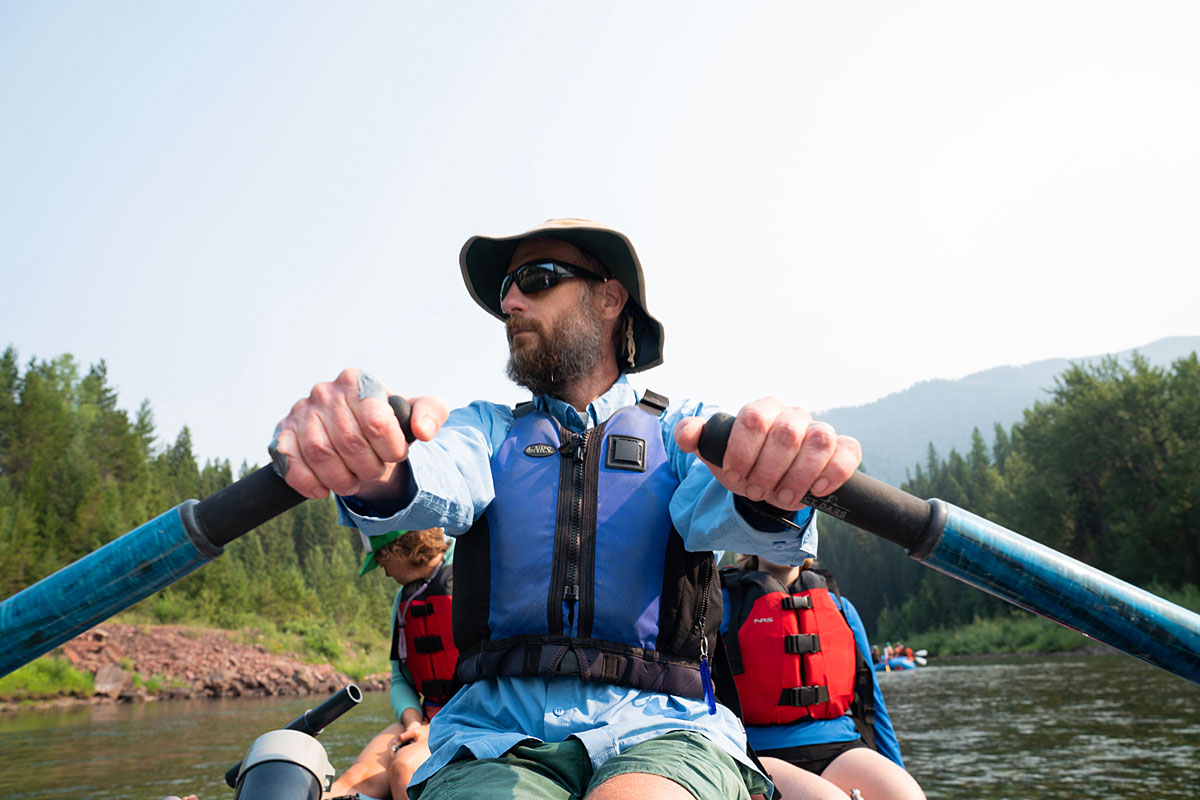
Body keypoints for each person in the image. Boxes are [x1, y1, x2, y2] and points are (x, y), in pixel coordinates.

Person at [269, 218, 863, 800]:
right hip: (492, 740)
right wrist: (374, 465)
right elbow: (426, 479)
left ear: (610, 298)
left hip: (664, 728)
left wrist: (773, 489)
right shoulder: (484, 430)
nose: (511, 303)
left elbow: (752, 522)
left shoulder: (684, 432)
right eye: (505, 290)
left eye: (538, 278)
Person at [721, 555, 925, 800]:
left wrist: (896, 769)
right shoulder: (723, 604)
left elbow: (874, 703)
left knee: (907, 795)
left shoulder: (840, 606)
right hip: (759, 752)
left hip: (841, 747)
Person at [328, 527, 456, 800]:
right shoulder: (404, 598)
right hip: (425, 716)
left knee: (404, 767)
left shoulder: (470, 573)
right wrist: (413, 723)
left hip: (473, 717)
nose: (383, 571)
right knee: (357, 777)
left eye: (381, 559)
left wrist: (432, 730)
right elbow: (400, 679)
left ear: (398, 549)